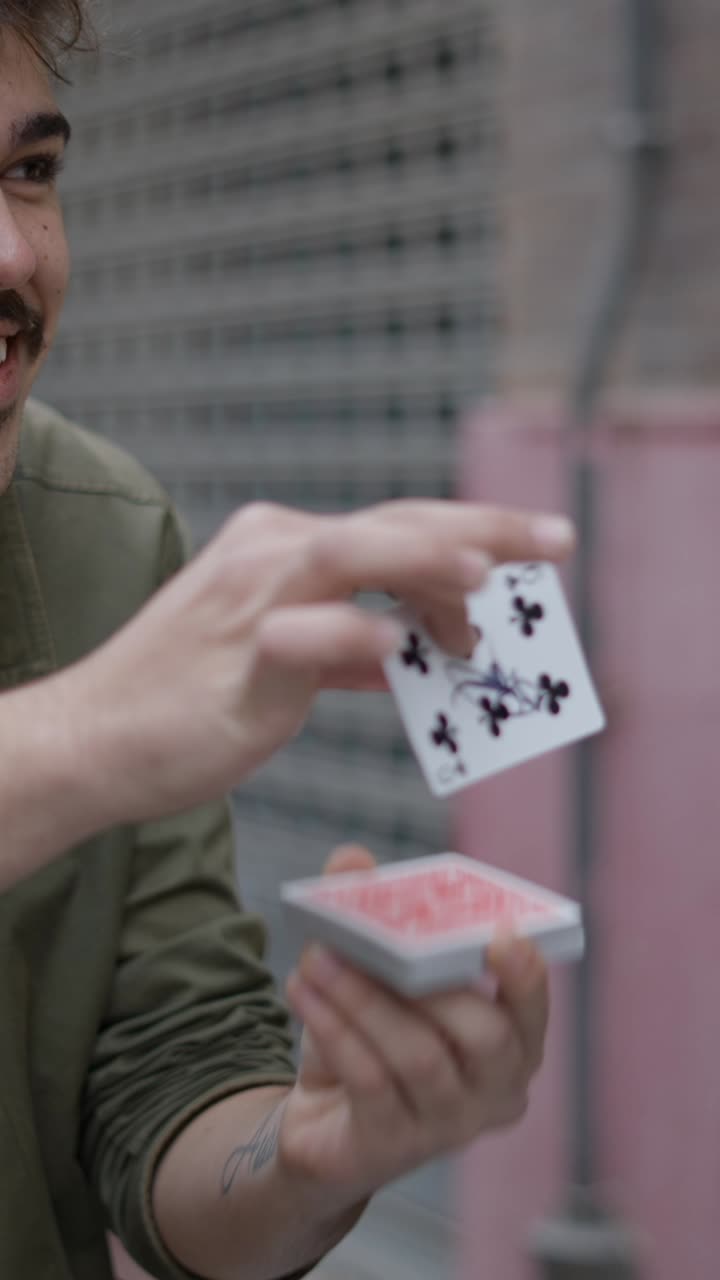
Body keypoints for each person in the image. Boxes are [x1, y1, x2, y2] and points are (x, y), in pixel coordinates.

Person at [0, 5, 577, 1279]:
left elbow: (166, 1076)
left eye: (28, 172)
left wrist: (316, 1150)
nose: (10, 253)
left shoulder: (108, 531)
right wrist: (82, 738)